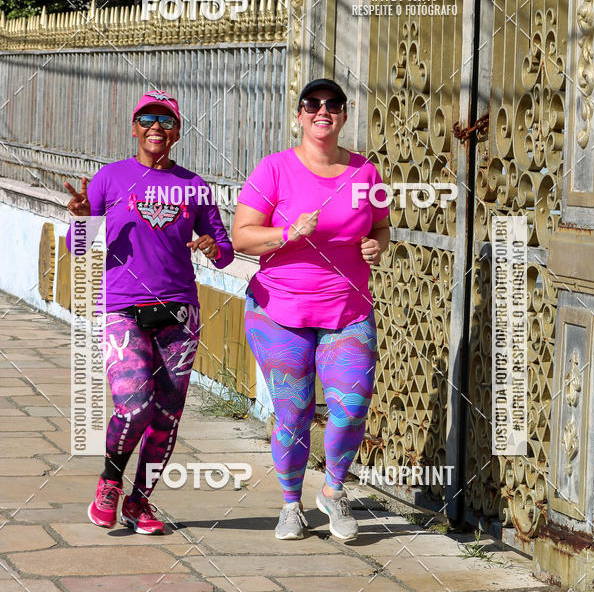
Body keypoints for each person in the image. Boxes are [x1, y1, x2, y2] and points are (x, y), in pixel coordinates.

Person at [65, 90, 233, 534]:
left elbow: (225, 253)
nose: (156, 126)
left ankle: (140, 503)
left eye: (166, 120)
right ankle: (109, 482)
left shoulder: (194, 186)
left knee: (166, 415)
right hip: (123, 309)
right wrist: (83, 218)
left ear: (177, 132)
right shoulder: (108, 180)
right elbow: (78, 250)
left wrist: (215, 247)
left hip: (179, 313)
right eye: (147, 118)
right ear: (134, 126)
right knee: (135, 405)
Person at [232, 78, 390, 541]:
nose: (324, 111)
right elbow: (242, 235)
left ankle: (334, 492)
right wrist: (288, 235)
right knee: (294, 412)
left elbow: (382, 229)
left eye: (333, 105)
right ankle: (290, 505)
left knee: (352, 405)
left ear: (344, 114)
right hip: (278, 309)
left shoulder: (366, 174)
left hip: (348, 309)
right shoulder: (274, 170)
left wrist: (377, 247)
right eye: (313, 104)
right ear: (299, 115)